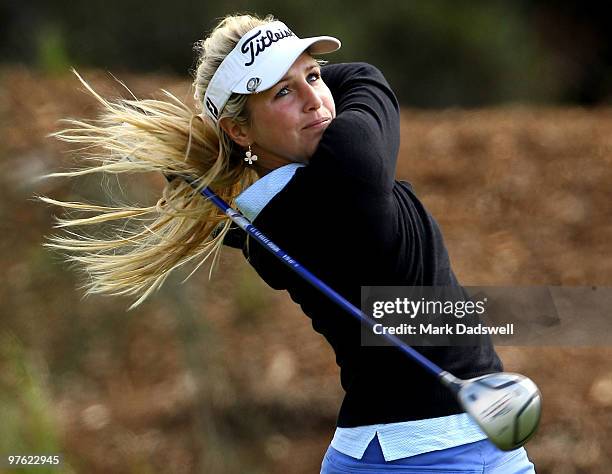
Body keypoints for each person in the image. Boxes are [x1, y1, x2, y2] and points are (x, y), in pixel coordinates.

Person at [41, 13, 537, 473]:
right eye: (282, 93)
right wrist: (299, 69)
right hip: (440, 451)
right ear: (238, 130)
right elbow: (366, 75)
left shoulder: (257, 215)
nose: (314, 100)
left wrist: (273, 82)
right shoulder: (350, 167)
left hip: (384, 450)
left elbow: (321, 98)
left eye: (314, 77)